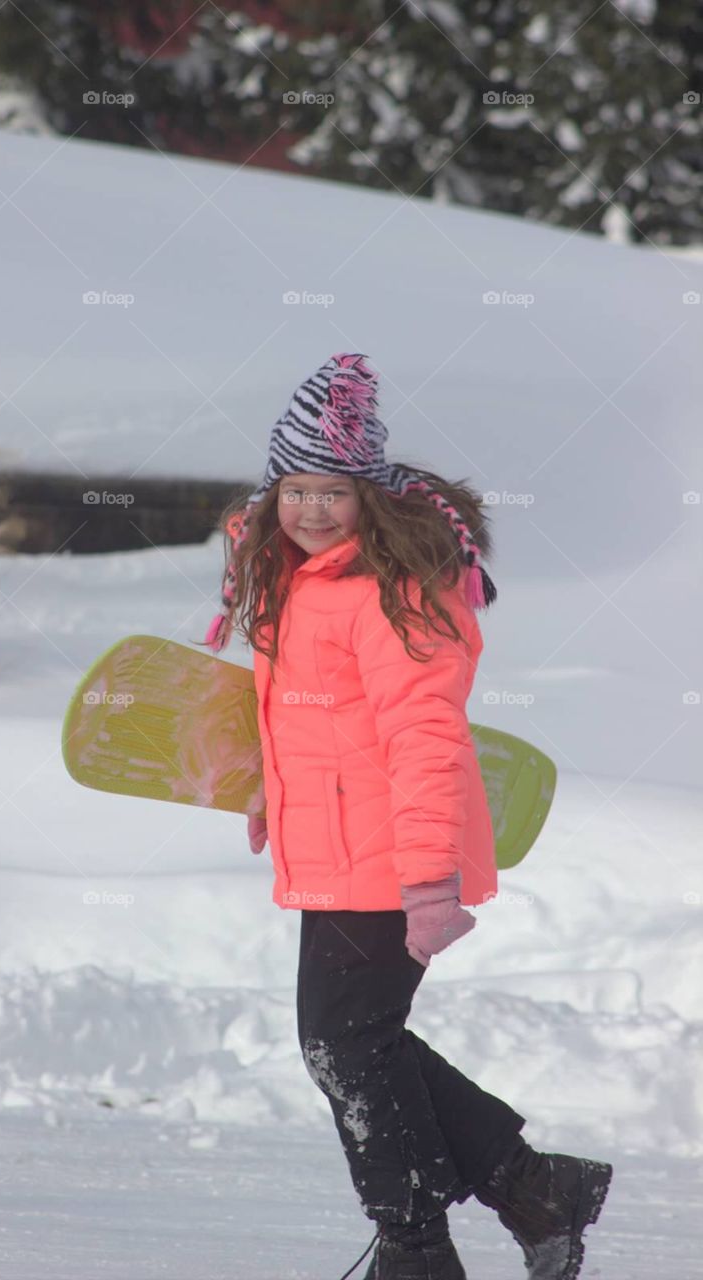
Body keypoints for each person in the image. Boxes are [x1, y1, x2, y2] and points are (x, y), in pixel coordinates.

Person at [199, 353, 612, 1280]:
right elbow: (319, 722)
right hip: (341, 848)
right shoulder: (301, 583)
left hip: (393, 856)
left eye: (331, 492)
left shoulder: (395, 594)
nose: (310, 509)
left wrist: (430, 883)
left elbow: (423, 741)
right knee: (353, 1041)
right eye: (294, 489)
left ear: (370, 499)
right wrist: (280, 788)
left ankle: (421, 1248)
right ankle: (532, 1187)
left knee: (344, 1043)